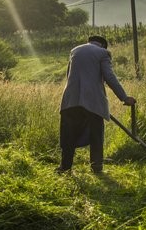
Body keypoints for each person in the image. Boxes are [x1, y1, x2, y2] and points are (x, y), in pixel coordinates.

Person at [57, 35, 136, 174]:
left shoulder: (74, 50)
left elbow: (69, 75)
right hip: (92, 101)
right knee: (96, 136)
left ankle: (65, 167)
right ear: (103, 45)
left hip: (70, 100)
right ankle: (96, 168)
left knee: (68, 135)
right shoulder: (103, 53)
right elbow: (109, 77)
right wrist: (124, 97)